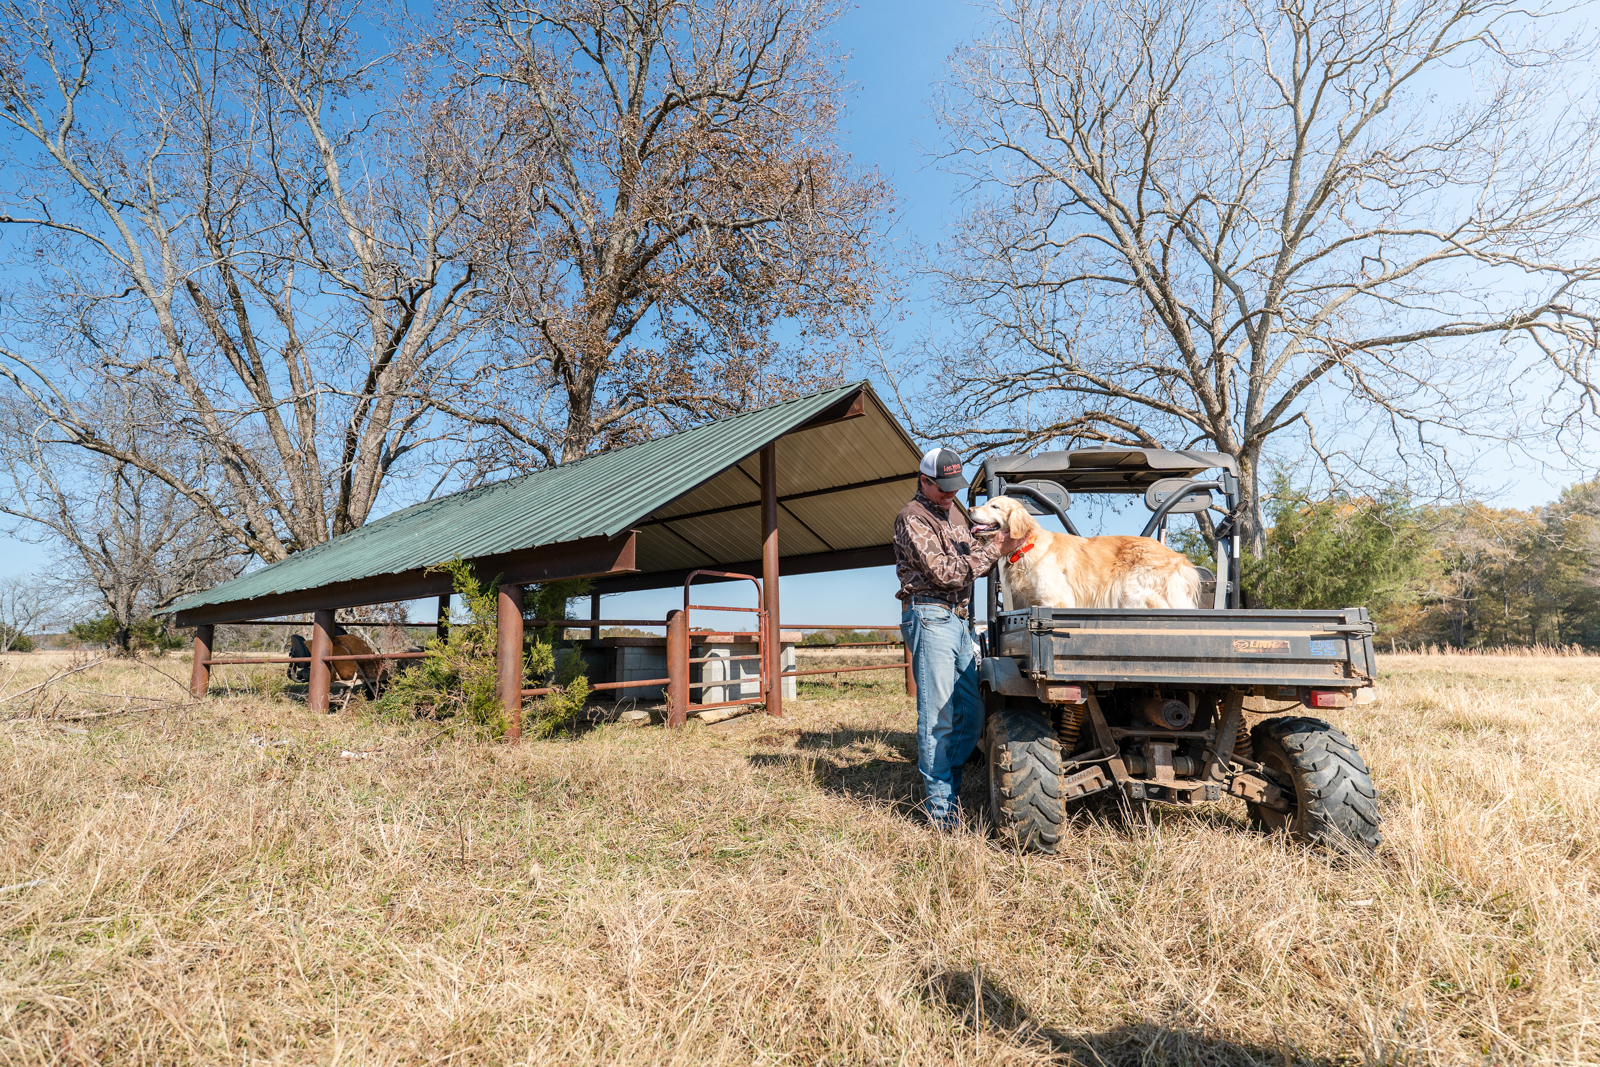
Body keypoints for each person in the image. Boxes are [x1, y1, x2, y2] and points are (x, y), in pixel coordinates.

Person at [894, 447, 1021, 830]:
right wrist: (997, 550)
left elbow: (974, 555)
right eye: (944, 488)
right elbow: (948, 573)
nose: (951, 495)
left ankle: (950, 787)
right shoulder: (912, 519)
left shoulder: (954, 513)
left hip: (961, 621)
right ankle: (940, 811)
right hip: (930, 615)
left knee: (972, 712)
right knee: (938, 716)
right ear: (924, 482)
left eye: (955, 487)